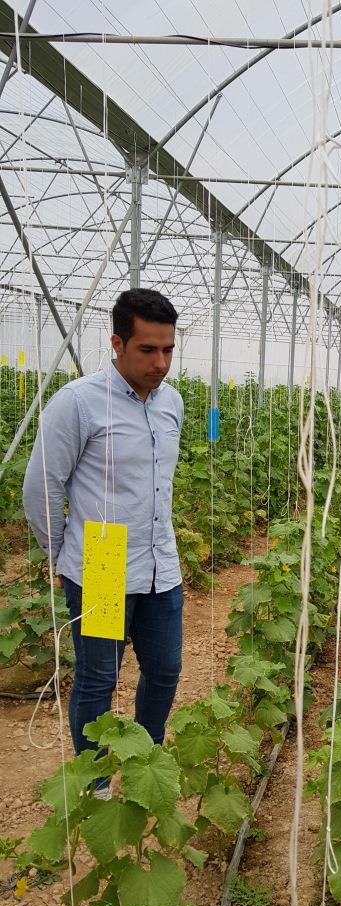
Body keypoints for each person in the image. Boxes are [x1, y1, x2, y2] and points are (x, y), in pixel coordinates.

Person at [23, 288, 184, 796]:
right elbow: (41, 486)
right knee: (98, 679)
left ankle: (147, 766)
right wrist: (62, 555)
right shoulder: (78, 402)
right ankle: (96, 783)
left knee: (165, 670)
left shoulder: (172, 403)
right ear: (117, 343)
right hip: (104, 560)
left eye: (168, 350)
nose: (160, 363)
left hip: (162, 560)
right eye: (147, 350)